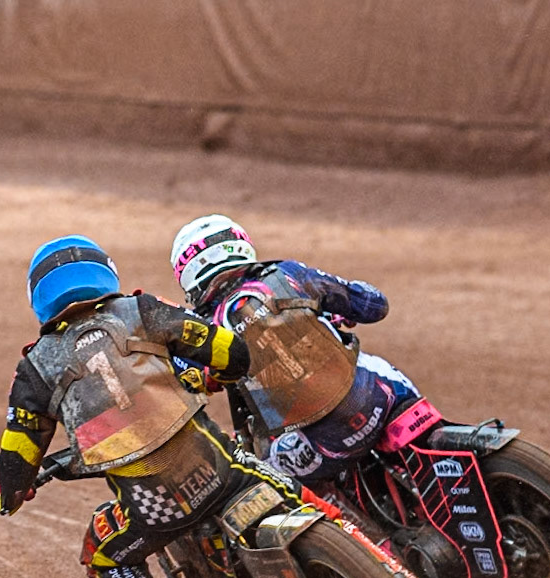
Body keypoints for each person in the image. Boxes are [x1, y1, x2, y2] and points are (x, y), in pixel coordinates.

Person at [0, 235, 311, 578]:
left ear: (39, 299)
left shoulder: (36, 367)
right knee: (291, 490)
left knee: (105, 553)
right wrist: (219, 369)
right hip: (220, 472)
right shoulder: (143, 310)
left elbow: (19, 451)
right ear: (106, 272)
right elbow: (228, 353)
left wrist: (11, 493)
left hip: (150, 507)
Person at [168, 214, 442, 504]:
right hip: (380, 398)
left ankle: (365, 546)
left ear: (187, 273)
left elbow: (185, 379)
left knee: (262, 483)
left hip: (323, 443)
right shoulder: (288, 274)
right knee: (376, 367)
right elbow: (374, 305)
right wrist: (332, 308)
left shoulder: (204, 329)